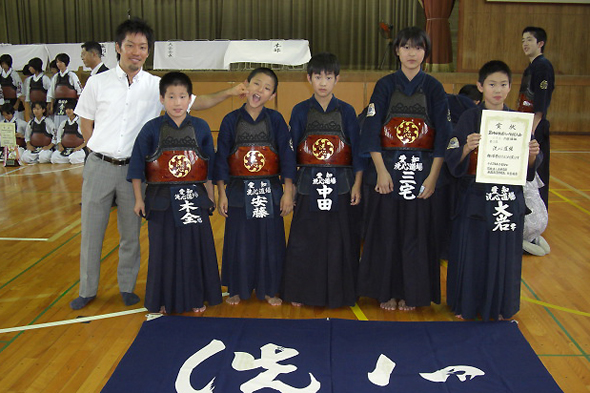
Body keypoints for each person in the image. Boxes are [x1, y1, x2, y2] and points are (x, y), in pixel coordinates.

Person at [70, 17, 246, 310]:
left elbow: (194, 103)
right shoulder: (97, 83)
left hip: (135, 170)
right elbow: (85, 121)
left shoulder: (156, 86)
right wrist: (95, 150)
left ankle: (126, 287)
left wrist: (228, 93)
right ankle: (87, 289)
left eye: (142, 46)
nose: (135, 52)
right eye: (130, 45)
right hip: (99, 165)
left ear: (148, 51)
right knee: (91, 231)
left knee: (130, 233)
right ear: (118, 47)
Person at [357, 26, 452, 311]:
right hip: (388, 167)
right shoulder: (385, 85)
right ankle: (385, 291)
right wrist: (381, 171)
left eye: (418, 47)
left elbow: (443, 135)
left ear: (426, 52)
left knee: (416, 233)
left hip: (422, 170)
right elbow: (371, 129)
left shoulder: (433, 87)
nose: (412, 53)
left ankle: (412, 292)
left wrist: (433, 177)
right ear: (397, 51)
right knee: (387, 231)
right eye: (406, 47)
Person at [445, 60, 541, 321]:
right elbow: (452, 155)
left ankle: (501, 307)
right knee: (474, 251)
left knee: (504, 255)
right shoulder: (469, 118)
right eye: (491, 84)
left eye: (503, 85)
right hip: (475, 198)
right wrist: (466, 147)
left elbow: (529, 169)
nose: (497, 90)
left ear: (510, 88)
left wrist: (533, 155)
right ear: (480, 86)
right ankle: (466, 305)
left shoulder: (517, 122)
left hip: (506, 199)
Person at [128, 72, 221, 314]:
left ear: (190, 99)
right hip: (160, 200)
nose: (177, 102)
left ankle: (196, 296)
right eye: (171, 96)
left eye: (182, 96)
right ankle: (161, 297)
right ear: (161, 99)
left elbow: (208, 166)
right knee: (162, 251)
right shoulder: (151, 129)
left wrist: (210, 196)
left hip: (194, 197)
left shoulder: (200, 127)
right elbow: (137, 165)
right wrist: (139, 198)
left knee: (194, 248)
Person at [281, 53, 363, 308]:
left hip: (341, 183)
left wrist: (357, 183)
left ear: (337, 79)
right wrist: (289, 187)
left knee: (341, 240)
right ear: (309, 79)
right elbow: (289, 152)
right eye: (318, 77)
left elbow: (357, 151)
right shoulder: (300, 110)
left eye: (329, 77)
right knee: (306, 239)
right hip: (308, 183)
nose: (323, 82)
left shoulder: (347, 111)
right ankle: (301, 291)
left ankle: (342, 293)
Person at [214, 67, 296, 307]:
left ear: (272, 96)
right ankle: (238, 288)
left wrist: (288, 191)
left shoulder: (276, 120)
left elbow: (287, 157)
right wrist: (221, 192)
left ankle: (270, 288)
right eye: (256, 84)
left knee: (269, 240)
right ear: (246, 85)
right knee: (239, 239)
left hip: (269, 190)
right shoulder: (231, 120)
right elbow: (221, 160)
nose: (260, 90)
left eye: (267, 88)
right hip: (239, 191)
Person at [518, 26, 554, 211]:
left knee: (537, 169)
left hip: (535, 127)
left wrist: (531, 131)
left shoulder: (543, 67)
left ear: (540, 44)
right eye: (523, 40)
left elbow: (540, 104)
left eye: (529, 40)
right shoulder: (531, 68)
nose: (525, 43)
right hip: (525, 125)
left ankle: (539, 213)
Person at [47, 53, 83, 127]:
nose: (59, 64)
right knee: (58, 125)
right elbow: (51, 93)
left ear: (66, 63)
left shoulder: (72, 75)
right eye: (57, 62)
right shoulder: (56, 77)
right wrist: (51, 106)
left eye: (61, 62)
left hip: (70, 104)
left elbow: (79, 91)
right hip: (58, 105)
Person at [0, 54, 25, 121]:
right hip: (4, 102)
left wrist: (17, 103)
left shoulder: (14, 74)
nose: (3, 66)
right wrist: (1, 103)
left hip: (14, 101)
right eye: (2, 64)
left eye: (5, 64)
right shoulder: (0, 75)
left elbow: (19, 88)